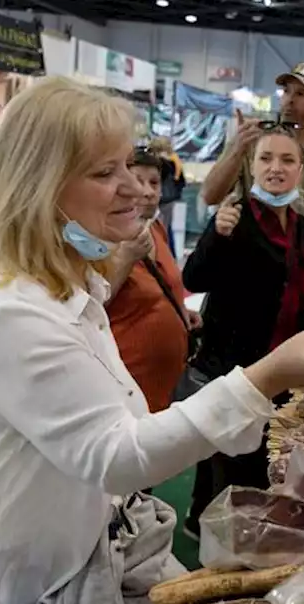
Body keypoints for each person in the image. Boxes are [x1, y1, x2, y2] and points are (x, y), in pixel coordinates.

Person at [0, 77, 304, 604]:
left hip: (50, 590)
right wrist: (266, 377)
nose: (134, 188)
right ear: (37, 188)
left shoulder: (60, 291)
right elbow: (118, 455)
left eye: (127, 165)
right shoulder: (9, 313)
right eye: (104, 173)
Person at [181, 127, 304, 536]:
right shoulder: (235, 218)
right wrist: (216, 234)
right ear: (252, 166)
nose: (276, 168)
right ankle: (219, 553)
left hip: (282, 369)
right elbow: (195, 277)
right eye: (266, 159)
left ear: (300, 168)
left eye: (287, 160)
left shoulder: (303, 226)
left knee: (254, 463)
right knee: (235, 467)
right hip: (234, 368)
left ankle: (207, 525)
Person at [200, 62, 304, 248]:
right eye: (286, 91)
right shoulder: (252, 143)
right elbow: (210, 196)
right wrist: (237, 149)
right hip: (250, 258)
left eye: (301, 94)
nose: (290, 99)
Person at [105, 148, 201, 414]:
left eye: (154, 183)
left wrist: (181, 313)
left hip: (166, 390)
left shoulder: (156, 229)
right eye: (138, 180)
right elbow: (90, 304)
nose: (147, 191)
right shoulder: (103, 236)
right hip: (126, 387)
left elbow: (163, 285)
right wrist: (126, 258)